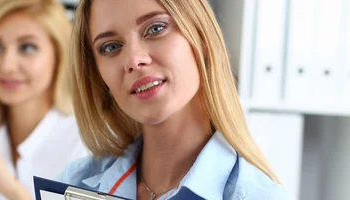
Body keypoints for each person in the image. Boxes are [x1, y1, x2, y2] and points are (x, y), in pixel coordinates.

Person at [57, 0, 287, 199]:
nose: (134, 60)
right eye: (111, 47)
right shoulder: (73, 184)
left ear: (201, 37)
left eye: (156, 28)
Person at [0, 0, 88, 199]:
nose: (7, 65)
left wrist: (12, 190)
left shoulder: (86, 143)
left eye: (27, 48)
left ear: (59, 54)